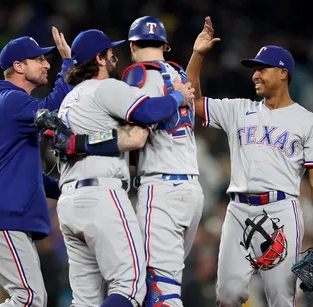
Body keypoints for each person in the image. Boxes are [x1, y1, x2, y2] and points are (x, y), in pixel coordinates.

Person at [186, 17, 313, 307]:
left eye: (261, 68)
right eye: (254, 69)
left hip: (282, 210)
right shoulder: (238, 109)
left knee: (280, 299)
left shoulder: (309, 122)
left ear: (283, 73)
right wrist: (198, 55)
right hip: (238, 210)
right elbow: (190, 102)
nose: (255, 74)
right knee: (227, 295)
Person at [56, 29, 195, 307]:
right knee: (130, 287)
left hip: (68, 201)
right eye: (109, 52)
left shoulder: (67, 101)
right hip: (101, 195)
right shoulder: (106, 87)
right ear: (99, 58)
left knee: (85, 301)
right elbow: (147, 112)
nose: (114, 57)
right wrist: (177, 97)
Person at [0, 27, 73, 307]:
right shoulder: (10, 100)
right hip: (1, 214)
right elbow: (54, 111)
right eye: (39, 59)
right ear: (18, 66)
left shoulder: (11, 104)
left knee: (30, 298)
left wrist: (66, 188)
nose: (47, 64)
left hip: (1, 215)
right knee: (28, 298)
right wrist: (69, 67)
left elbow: (30, 176)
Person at [121, 16, 205, 307]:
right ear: (164, 45)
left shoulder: (138, 74)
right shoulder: (180, 75)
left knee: (160, 290)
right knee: (164, 283)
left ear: (132, 45)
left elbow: (141, 118)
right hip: (191, 190)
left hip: (161, 188)